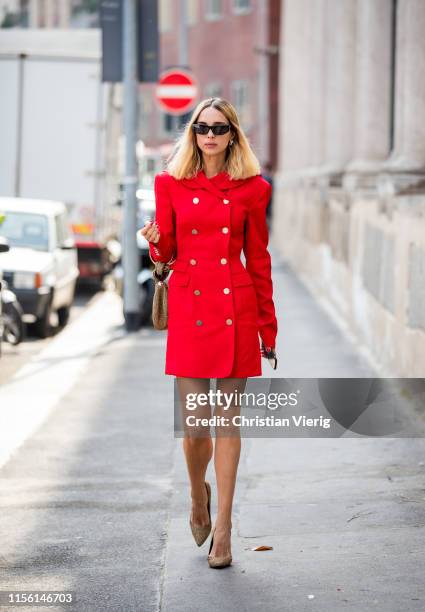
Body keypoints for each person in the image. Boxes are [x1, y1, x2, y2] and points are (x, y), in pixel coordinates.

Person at [140, 97, 278, 569]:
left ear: (233, 135)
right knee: (196, 427)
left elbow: (258, 259)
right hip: (191, 306)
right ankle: (197, 496)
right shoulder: (169, 183)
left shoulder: (254, 189)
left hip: (235, 308)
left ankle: (224, 528)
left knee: (228, 423)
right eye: (202, 128)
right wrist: (158, 243)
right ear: (193, 134)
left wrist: (268, 327)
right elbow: (171, 251)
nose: (211, 136)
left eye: (220, 128)